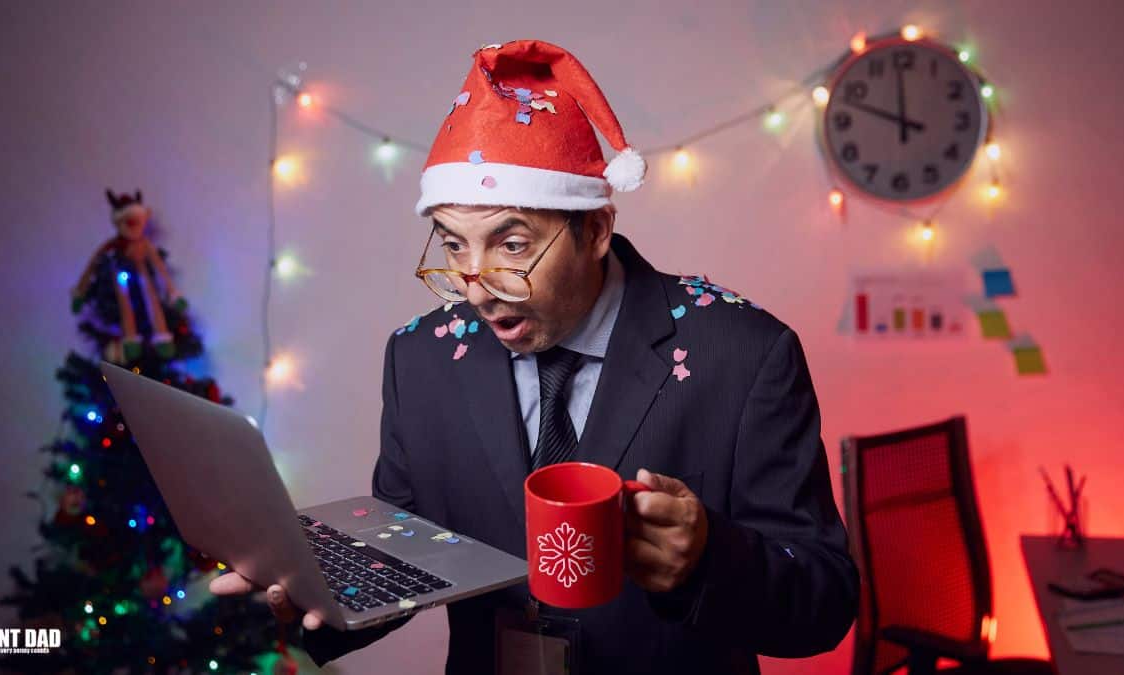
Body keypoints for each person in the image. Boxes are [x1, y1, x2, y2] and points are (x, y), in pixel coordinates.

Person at [212, 39, 858, 674]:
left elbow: (825, 599)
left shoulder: (744, 357)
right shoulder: (421, 362)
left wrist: (710, 557)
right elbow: (407, 557)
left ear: (597, 230)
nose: (476, 283)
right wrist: (311, 596)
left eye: (512, 244)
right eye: (454, 245)